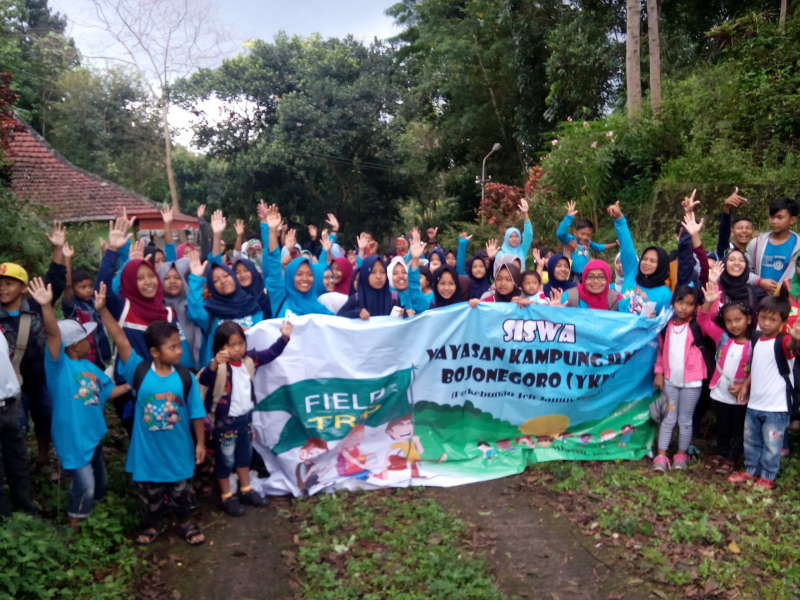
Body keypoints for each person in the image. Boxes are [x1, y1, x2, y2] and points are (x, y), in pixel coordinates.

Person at [96, 282, 207, 545]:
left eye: (178, 346)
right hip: (147, 450)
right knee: (149, 493)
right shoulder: (139, 370)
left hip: (178, 448)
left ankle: (186, 523)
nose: (179, 351)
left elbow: (196, 412)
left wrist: (200, 443)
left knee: (182, 491)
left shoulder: (185, 377)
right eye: (172, 347)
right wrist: (102, 310)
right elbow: (121, 338)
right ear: (155, 352)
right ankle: (152, 525)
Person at [29, 277, 128, 526]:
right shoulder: (58, 368)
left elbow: (106, 392)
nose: (89, 342)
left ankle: (98, 518)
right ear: (72, 345)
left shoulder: (88, 367)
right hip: (72, 436)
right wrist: (46, 306)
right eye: (85, 339)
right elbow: (53, 334)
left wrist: (132, 385)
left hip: (91, 434)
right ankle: (76, 527)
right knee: (85, 485)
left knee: (100, 480)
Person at [198, 319, 292, 516]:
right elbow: (206, 379)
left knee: (244, 455)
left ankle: (246, 489)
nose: (237, 349)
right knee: (225, 459)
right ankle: (226, 495)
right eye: (230, 345)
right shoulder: (218, 367)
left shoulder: (249, 360)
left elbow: (270, 354)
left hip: (245, 419)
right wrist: (215, 363)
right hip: (225, 423)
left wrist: (284, 338)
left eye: (240, 343)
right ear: (220, 347)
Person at [1, 223, 66, 472]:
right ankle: (16, 469)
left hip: (40, 379)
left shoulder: (36, 307)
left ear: (23, 287)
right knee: (17, 427)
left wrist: (58, 249)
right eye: (1, 283)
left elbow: (56, 282)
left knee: (45, 419)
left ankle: (42, 456)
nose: (3, 288)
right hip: (10, 386)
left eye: (10, 283)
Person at [728, 296, 800, 490]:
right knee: (751, 441)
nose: (766, 323)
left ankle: (768, 476)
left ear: (783, 322)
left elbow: (793, 348)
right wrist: (745, 385)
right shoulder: (757, 339)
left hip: (776, 407)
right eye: (763, 317)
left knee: (772, 444)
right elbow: (757, 366)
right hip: (754, 404)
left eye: (773, 319)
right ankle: (751, 471)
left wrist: (795, 338)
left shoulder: (783, 341)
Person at [697, 279, 752, 469]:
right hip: (720, 391)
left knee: (738, 428)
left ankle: (731, 458)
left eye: (738, 320)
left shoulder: (754, 345)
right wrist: (709, 302)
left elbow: (758, 370)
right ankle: (721, 452)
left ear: (749, 319)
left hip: (739, 395)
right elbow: (703, 321)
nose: (734, 325)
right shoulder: (723, 339)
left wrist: (746, 385)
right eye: (729, 321)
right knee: (722, 425)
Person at [652, 286, 707, 471]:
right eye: (680, 302)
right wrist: (659, 372)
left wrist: (712, 295)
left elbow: (710, 314)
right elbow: (660, 352)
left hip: (692, 382)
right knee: (668, 418)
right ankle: (661, 455)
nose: (684, 307)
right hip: (670, 381)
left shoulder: (697, 324)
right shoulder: (666, 326)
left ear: (696, 307)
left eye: (690, 304)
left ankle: (681, 454)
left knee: (685, 419)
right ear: (673, 303)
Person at [186, 251, 265, 366]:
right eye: (216, 281)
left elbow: (261, 337)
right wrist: (196, 278)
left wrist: (248, 333)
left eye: (226, 275)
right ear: (212, 287)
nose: (223, 281)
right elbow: (196, 311)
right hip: (219, 375)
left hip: (249, 371)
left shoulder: (252, 305)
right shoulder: (211, 311)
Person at [260, 203, 333, 318]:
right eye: (299, 274)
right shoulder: (280, 296)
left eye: (310, 274)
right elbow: (273, 261)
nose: (305, 278)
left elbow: (341, 325)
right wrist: (271, 230)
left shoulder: (320, 309)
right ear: (289, 276)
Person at [608, 201, 673, 316]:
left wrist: (653, 322)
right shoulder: (632, 272)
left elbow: (665, 325)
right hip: (620, 333)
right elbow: (627, 247)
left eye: (653, 261)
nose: (646, 263)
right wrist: (619, 219)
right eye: (645, 259)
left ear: (661, 265)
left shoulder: (666, 294)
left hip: (645, 334)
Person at [62, 242, 111, 368]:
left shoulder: (95, 300)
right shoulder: (72, 306)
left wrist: (105, 253)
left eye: (90, 286)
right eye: (82, 287)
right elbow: (67, 285)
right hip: (82, 356)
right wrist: (67, 258)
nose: (88, 290)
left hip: (101, 355)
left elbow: (104, 276)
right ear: (73, 289)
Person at [746, 196, 800, 296]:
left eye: (779, 217)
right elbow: (744, 271)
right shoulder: (756, 243)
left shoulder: (798, 246)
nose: (774, 221)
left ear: (792, 220)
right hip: (760, 301)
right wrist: (759, 281)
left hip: (790, 302)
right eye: (772, 217)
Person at [556, 201, 616, 279]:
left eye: (588, 235)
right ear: (575, 233)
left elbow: (600, 247)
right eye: (582, 234)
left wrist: (615, 244)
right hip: (573, 275)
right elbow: (560, 234)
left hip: (586, 275)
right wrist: (569, 217)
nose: (585, 237)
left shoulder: (588, 243)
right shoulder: (571, 240)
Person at [338, 256, 403, 319]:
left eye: (383, 272)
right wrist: (357, 313)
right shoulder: (356, 298)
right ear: (365, 274)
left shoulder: (394, 298)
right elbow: (340, 316)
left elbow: (402, 314)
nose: (378, 276)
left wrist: (405, 313)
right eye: (373, 272)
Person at [716, 187, 754, 256]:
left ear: (753, 231)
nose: (744, 231)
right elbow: (724, 234)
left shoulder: (757, 252)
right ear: (732, 231)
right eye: (739, 228)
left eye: (748, 228)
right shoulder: (727, 250)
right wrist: (726, 208)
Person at [497, 199, 533, 265]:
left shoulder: (522, 250)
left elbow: (528, 234)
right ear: (506, 238)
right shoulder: (500, 254)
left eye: (517, 236)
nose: (514, 239)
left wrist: (525, 214)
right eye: (511, 236)